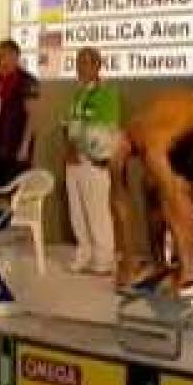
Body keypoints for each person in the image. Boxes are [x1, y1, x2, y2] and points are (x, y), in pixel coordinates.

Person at [109, 89, 193, 291]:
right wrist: (126, 261)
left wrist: (184, 245)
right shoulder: (120, 149)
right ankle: (158, 263)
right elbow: (119, 206)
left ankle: (189, 268)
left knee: (175, 188)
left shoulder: (151, 143)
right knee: (150, 186)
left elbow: (171, 198)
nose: (117, 164)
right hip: (183, 132)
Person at [62, 48, 119, 275]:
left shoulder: (107, 93)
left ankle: (103, 259)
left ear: (97, 66)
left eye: (86, 63)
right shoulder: (77, 95)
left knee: (97, 212)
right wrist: (68, 150)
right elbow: (67, 125)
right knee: (77, 212)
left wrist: (92, 153)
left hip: (93, 161)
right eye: (78, 63)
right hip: (74, 161)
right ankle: (83, 254)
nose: (80, 68)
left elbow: (105, 131)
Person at [0, 39, 39, 188]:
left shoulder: (27, 81)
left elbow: (33, 116)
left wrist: (24, 146)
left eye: (2, 55)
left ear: (14, 56)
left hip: (15, 150)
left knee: (13, 193)